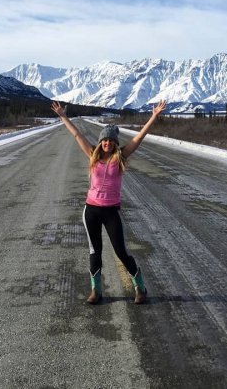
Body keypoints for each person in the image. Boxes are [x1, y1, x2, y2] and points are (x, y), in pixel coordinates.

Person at [51, 99, 167, 305]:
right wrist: (63, 116)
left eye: (111, 141)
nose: (107, 143)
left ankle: (140, 287)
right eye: (105, 140)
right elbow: (76, 134)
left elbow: (139, 138)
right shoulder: (92, 155)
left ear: (115, 143)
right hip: (92, 211)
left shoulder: (120, 157)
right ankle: (96, 290)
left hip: (111, 211)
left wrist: (154, 116)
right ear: (101, 141)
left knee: (121, 251)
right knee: (95, 251)